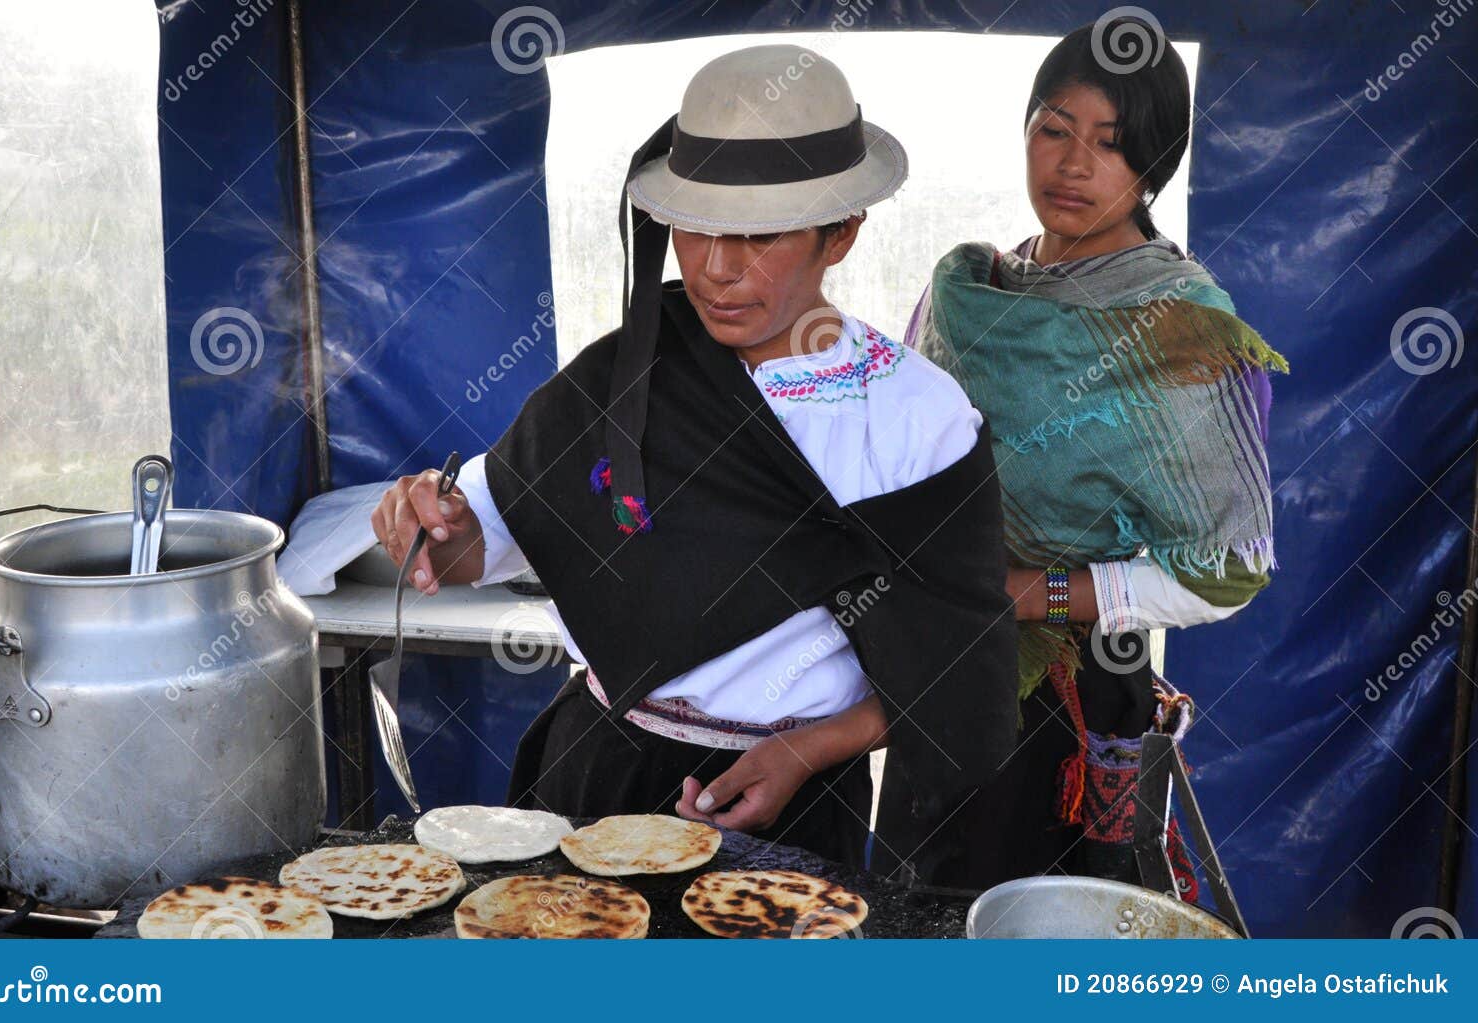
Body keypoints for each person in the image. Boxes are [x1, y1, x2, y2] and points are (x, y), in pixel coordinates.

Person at [372, 44, 1019, 877]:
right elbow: (471, 548)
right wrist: (429, 517)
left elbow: (962, 664)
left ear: (842, 233)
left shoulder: (913, 419)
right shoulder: (623, 374)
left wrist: (807, 749)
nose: (715, 267)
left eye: (756, 234)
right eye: (697, 226)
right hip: (592, 775)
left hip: (788, 801)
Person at [904, 19, 1290, 895]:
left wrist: (1032, 591)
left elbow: (1224, 570)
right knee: (921, 922)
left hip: (1072, 706)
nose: (1073, 165)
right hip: (942, 675)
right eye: (1054, 128)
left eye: (1111, 144)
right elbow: (905, 467)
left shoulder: (1178, 327)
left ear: (1153, 164)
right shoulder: (971, 291)